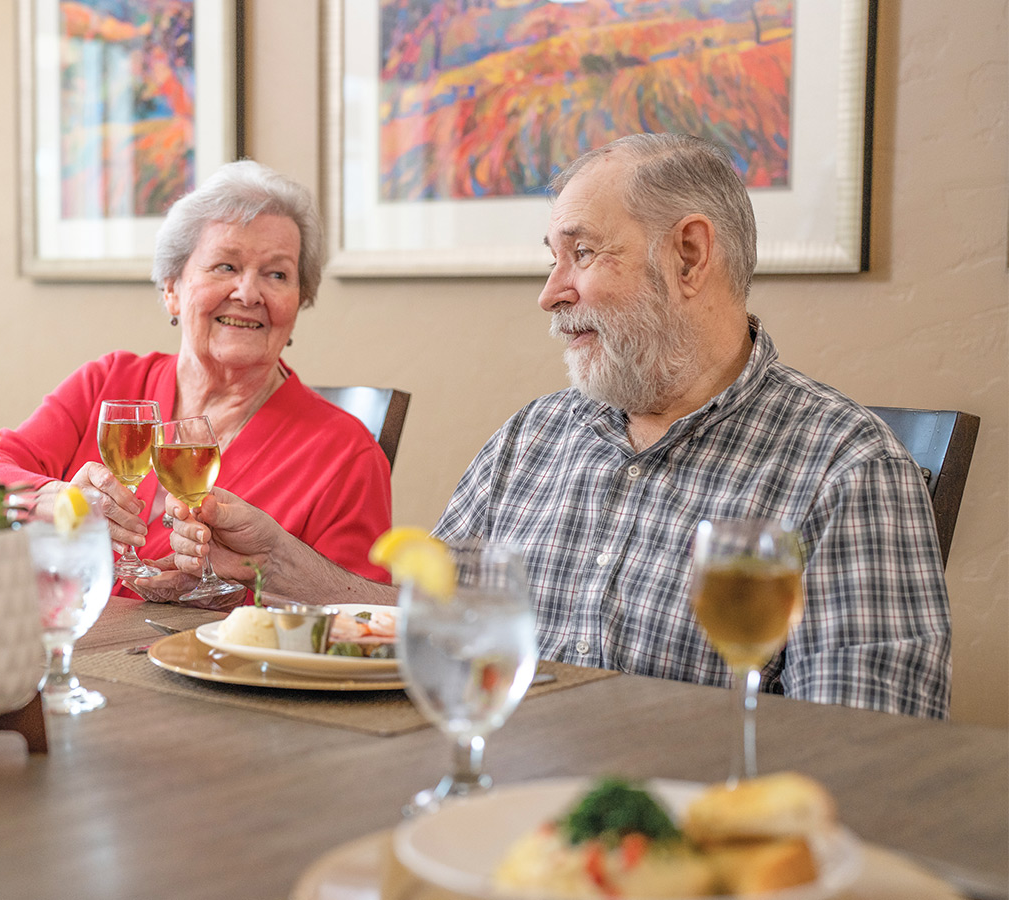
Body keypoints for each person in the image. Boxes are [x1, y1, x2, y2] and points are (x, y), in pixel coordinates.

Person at [149, 133, 952, 718]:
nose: (550, 291)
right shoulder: (531, 438)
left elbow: (871, 754)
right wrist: (284, 567)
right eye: (551, 257)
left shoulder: (848, 470)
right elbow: (426, 636)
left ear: (691, 257)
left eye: (582, 253)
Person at [0, 159, 392, 596]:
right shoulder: (110, 384)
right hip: (58, 647)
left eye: (277, 274)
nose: (249, 294)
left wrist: (247, 585)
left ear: (299, 302)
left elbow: (361, 621)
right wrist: (51, 501)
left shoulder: (345, 454)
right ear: (172, 288)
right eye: (225, 266)